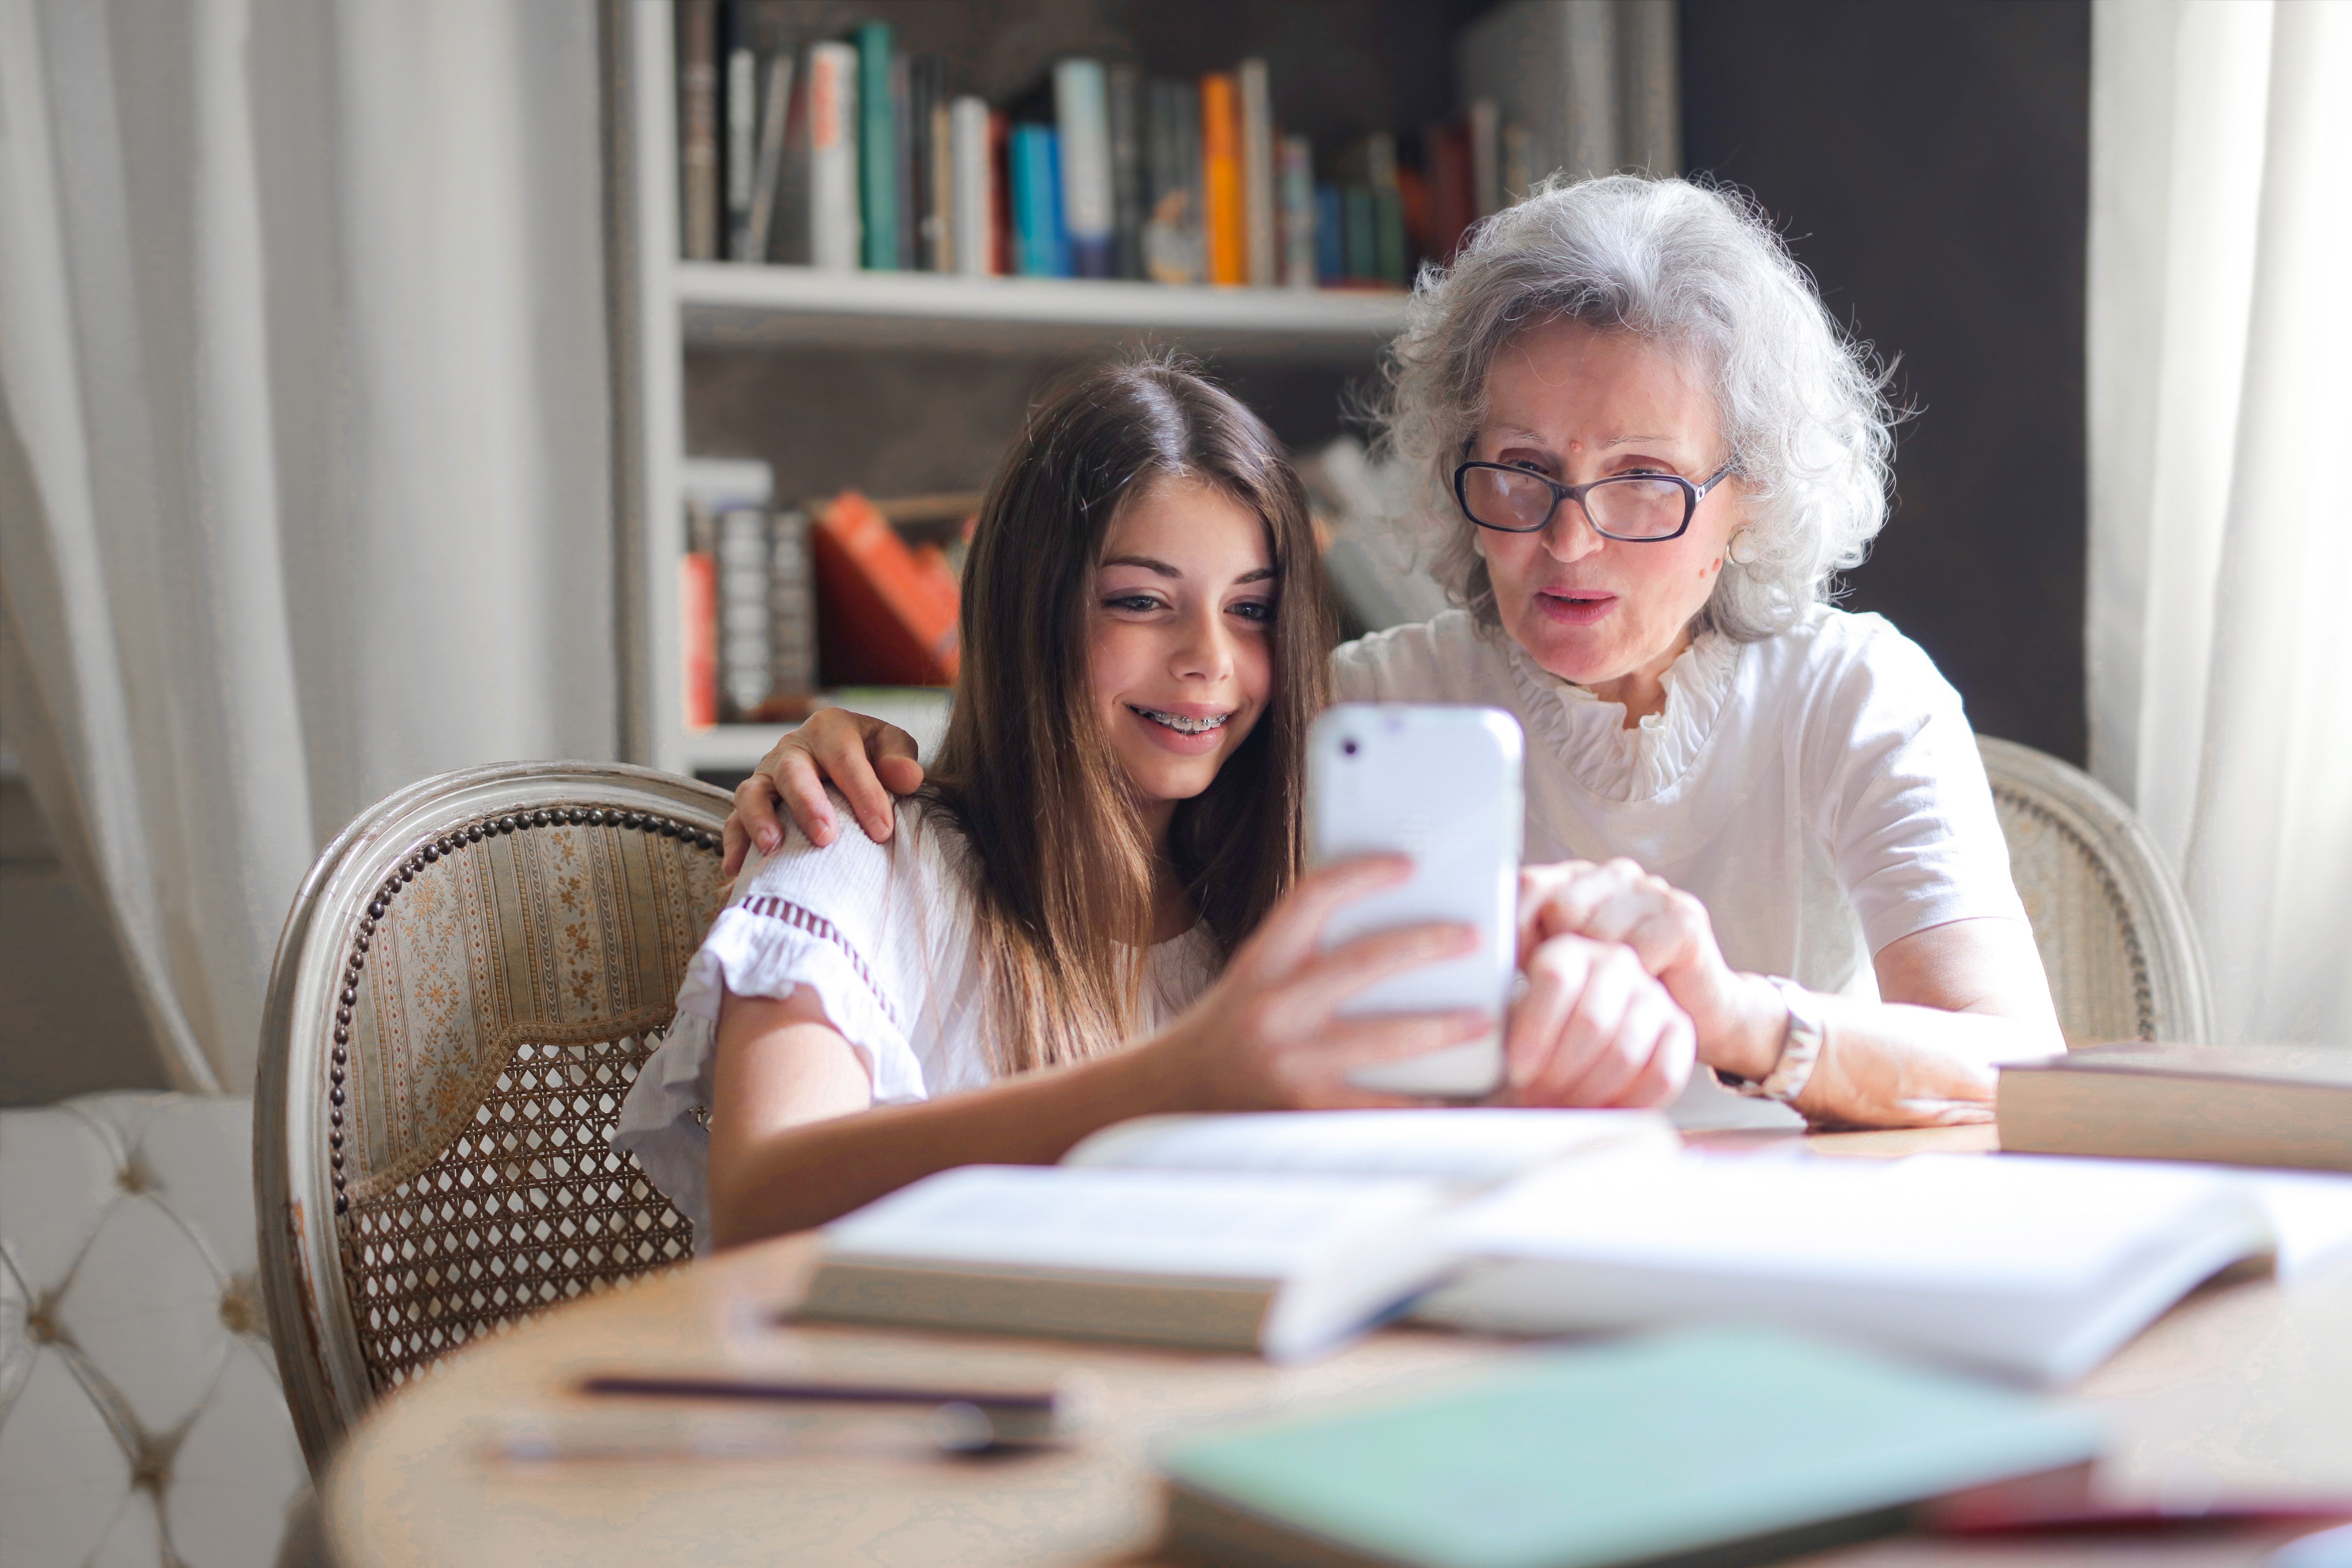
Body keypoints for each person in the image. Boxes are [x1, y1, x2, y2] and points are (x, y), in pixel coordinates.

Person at [722, 176, 2065, 1131]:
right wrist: (853, 755)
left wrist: (1736, 1015)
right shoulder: (1357, 709)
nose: (1569, 542)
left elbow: (2017, 1066)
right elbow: (1087, 804)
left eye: (1644, 482)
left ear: (1750, 497)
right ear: (1450, 460)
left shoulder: (1855, 691)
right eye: (1522, 471)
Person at [615, 359, 1692, 1250]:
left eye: (1253, 611)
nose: (1209, 665)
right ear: (1030, 610)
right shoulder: (859, 850)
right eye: (1141, 603)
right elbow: (760, 1197)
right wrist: (1181, 1079)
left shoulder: (1281, 903)